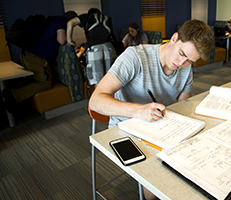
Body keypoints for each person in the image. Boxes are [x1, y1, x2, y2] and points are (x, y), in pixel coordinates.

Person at [89, 19, 213, 199]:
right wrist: (139, 111)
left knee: (199, 158)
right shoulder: (135, 57)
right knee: (157, 184)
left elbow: (182, 106)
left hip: (161, 127)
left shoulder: (186, 69)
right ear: (174, 38)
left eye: (189, 61)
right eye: (180, 53)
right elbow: (96, 101)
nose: (181, 63)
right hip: (125, 130)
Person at [3, 11, 78, 113]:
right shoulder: (62, 21)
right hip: (37, 57)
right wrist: (70, 41)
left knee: (32, 80)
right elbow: (61, 40)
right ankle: (13, 95)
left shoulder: (52, 20)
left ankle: (11, 90)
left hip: (27, 54)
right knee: (45, 84)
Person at [66, 8, 117, 86]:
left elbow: (70, 23)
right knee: (112, 78)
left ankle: (99, 97)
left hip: (95, 50)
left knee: (98, 81)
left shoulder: (86, 17)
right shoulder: (107, 18)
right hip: (109, 48)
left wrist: (69, 41)